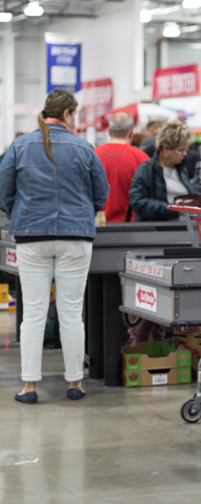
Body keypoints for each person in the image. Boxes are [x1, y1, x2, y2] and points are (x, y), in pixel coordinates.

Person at [0, 89, 109, 403]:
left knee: (33, 313)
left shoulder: (20, 146)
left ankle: (29, 387)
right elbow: (101, 193)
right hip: (76, 236)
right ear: (68, 114)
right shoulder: (84, 147)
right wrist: (83, 211)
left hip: (31, 236)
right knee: (72, 313)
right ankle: (75, 383)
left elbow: (3, 190)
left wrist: (19, 214)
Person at [129, 120, 201, 222]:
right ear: (166, 148)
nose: (185, 154)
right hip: (157, 233)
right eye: (181, 150)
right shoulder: (146, 169)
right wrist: (172, 208)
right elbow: (137, 203)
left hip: (181, 230)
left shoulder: (181, 169)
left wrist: (200, 199)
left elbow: (183, 200)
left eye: (186, 149)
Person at [95, 113, 150, 222]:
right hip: (129, 225)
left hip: (98, 223)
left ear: (109, 132)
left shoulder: (92, 154)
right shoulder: (142, 158)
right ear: (131, 133)